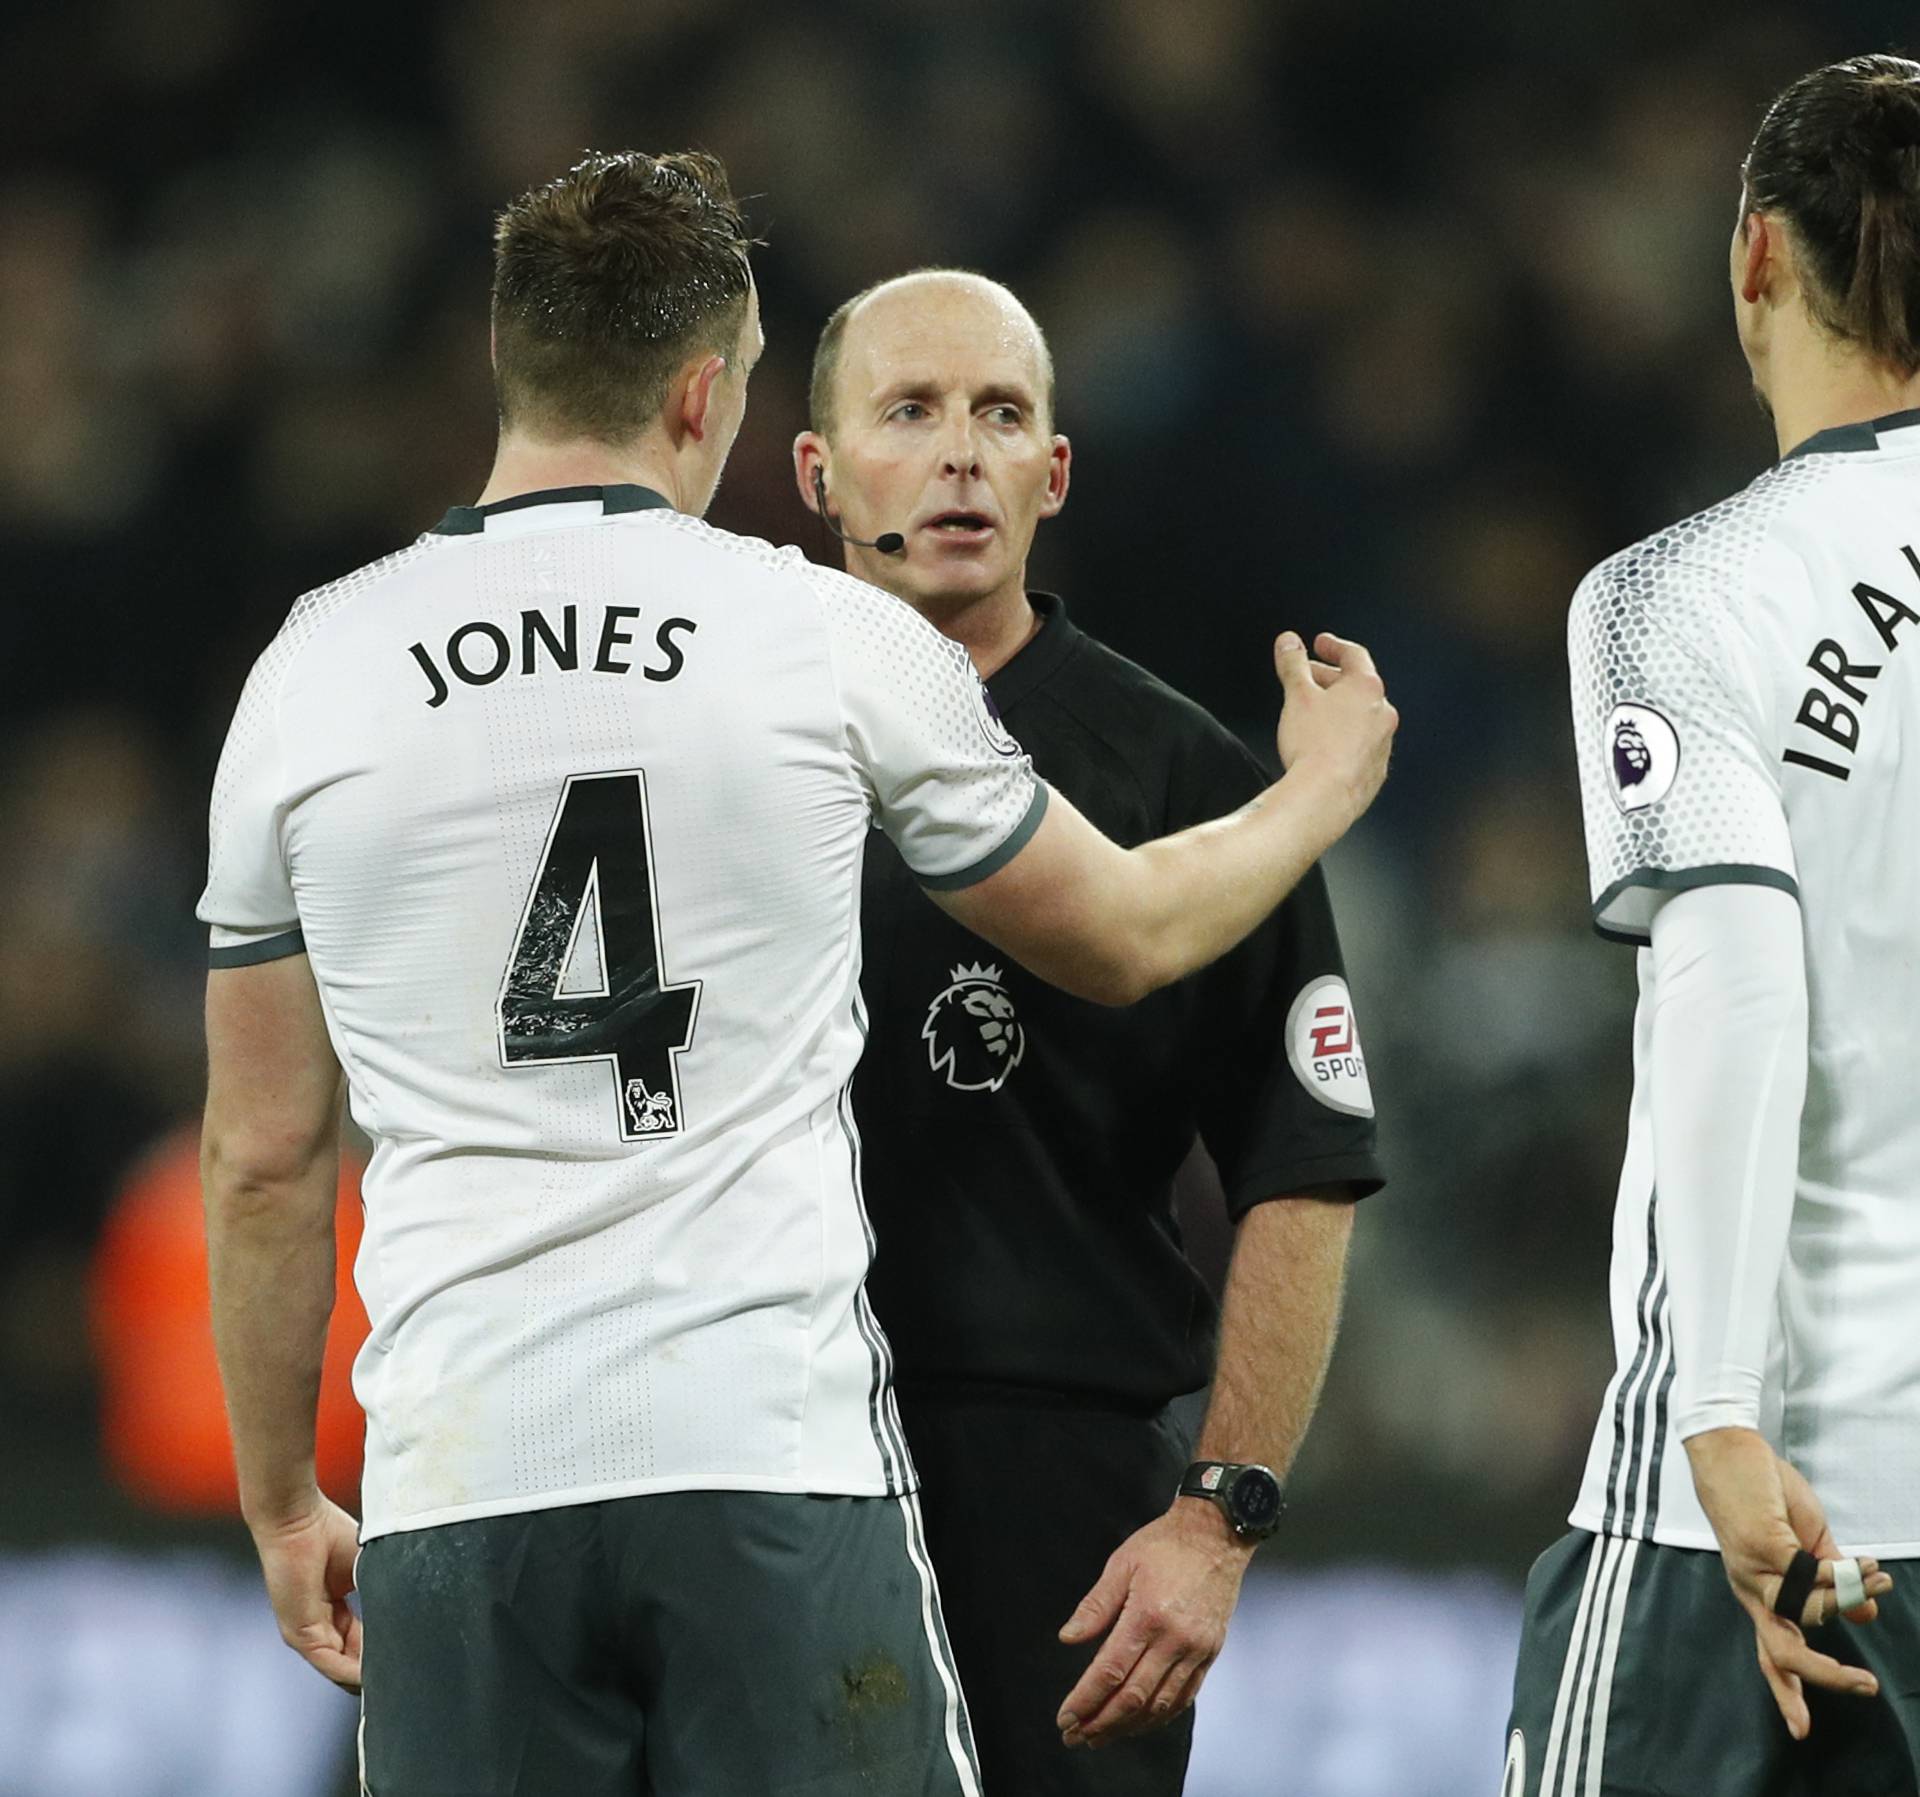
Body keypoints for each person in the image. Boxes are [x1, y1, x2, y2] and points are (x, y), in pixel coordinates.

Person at [195, 150, 1397, 1797]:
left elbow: (262, 1155)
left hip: (463, 1468)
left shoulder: (313, 664)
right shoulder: (812, 640)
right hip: (766, 1452)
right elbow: (1119, 928)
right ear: (715, 403)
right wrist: (1322, 791)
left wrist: (278, 1497)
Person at [792, 268, 1383, 1795]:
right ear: (817, 470)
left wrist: (1220, 1516)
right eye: (909, 413)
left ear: (1055, 471)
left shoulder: (1180, 774)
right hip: (756, 1455)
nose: (960, 455)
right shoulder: (725, 741)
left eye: (1000, 416)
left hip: (1056, 1488)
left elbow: (1305, 1166)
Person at [1504, 55, 1920, 1796]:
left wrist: (1723, 1413)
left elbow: (1744, 982)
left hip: (1778, 1502)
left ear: (1755, 257)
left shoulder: (1683, 598)